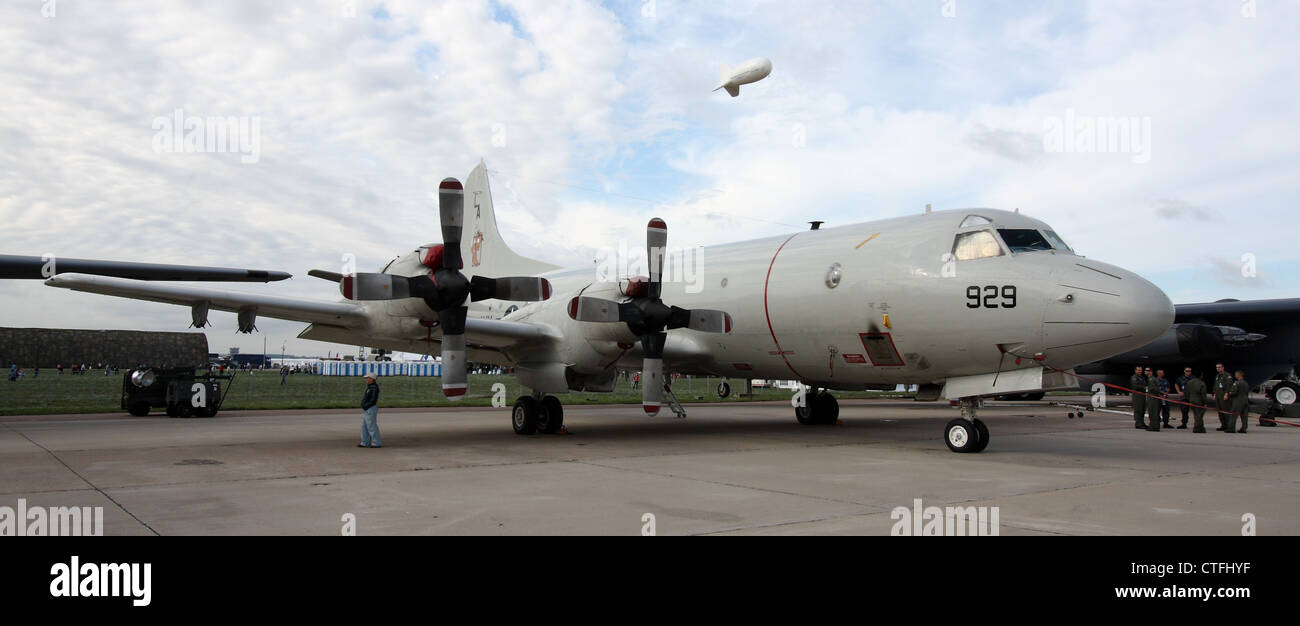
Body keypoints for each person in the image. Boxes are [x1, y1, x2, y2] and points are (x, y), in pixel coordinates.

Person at [359, 374, 382, 448]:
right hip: (367, 408)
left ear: (372, 379)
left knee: (371, 426)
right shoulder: (370, 387)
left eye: (368, 378)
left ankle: (376, 442)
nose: (366, 379)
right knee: (364, 426)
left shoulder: (373, 388)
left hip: (370, 408)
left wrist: (366, 405)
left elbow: (373, 400)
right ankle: (365, 442)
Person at [1213, 363, 1233, 431]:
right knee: (1220, 411)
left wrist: (1227, 394)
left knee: (1226, 411)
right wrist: (1215, 393)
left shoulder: (1227, 375)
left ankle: (1228, 425)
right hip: (1218, 396)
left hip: (1224, 396)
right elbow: (1216, 385)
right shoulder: (1217, 376)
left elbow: (1229, 385)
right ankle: (1223, 425)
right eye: (1217, 367)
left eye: (1219, 367)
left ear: (1223, 368)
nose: (1218, 368)